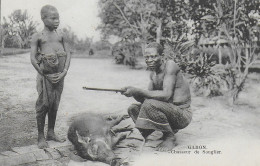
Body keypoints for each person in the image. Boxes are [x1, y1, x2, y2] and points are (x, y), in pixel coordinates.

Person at [121, 42, 192, 151]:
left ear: (162, 56)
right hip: (169, 112)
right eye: (147, 57)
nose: (149, 60)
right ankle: (148, 133)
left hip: (182, 115)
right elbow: (146, 100)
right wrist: (133, 93)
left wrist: (138, 90)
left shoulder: (170, 65)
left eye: (153, 56)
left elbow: (166, 95)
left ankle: (169, 137)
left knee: (150, 104)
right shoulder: (153, 74)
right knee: (133, 109)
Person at [30, 5, 71, 149]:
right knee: (43, 105)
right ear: (43, 18)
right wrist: (43, 75)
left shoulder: (62, 35)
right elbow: (33, 58)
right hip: (45, 76)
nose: (57, 21)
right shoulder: (38, 36)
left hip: (60, 76)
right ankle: (41, 136)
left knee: (54, 104)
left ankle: (51, 132)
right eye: (53, 18)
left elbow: (68, 54)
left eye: (58, 17)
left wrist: (64, 71)